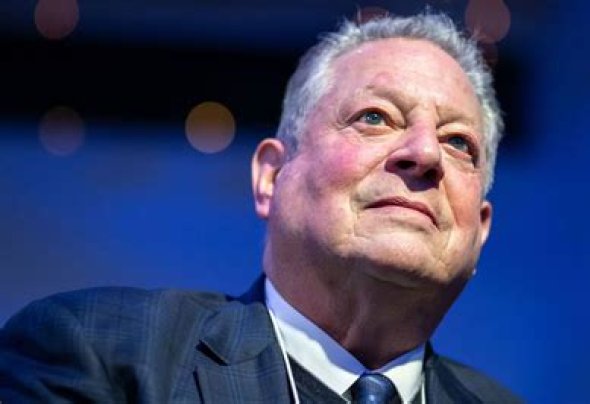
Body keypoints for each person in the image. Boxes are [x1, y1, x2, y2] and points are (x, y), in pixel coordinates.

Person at [0, 12, 521, 403]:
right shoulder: (98, 355)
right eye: (375, 117)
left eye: (458, 143)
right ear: (272, 176)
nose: (425, 153)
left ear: (479, 230)